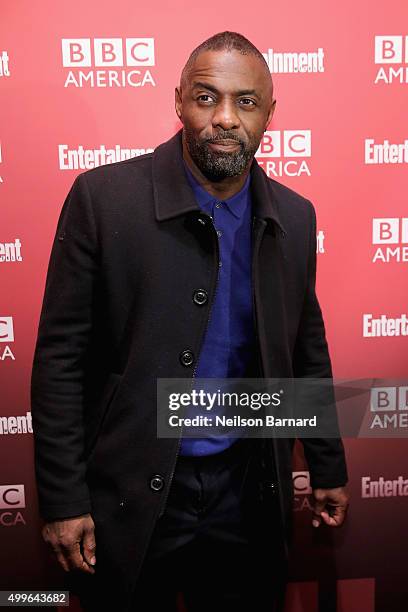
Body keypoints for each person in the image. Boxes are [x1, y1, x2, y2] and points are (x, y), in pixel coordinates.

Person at [31, 31, 349, 612]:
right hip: (128, 495)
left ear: (270, 113)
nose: (224, 118)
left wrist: (327, 465)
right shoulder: (102, 200)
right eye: (206, 98)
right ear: (178, 101)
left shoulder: (296, 217)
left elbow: (306, 347)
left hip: (247, 492)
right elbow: (60, 360)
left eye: (245, 102)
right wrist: (62, 499)